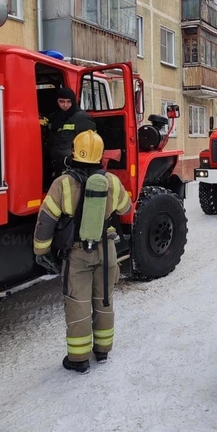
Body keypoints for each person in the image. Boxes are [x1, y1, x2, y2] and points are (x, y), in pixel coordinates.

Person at [33, 130, 132, 374]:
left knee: (78, 304)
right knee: (104, 300)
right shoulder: (111, 181)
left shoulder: (63, 183)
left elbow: (46, 220)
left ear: (74, 153)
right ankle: (103, 350)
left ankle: (78, 360)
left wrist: (41, 250)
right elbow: (126, 208)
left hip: (77, 254)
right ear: (100, 155)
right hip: (106, 250)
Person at [44, 87, 96, 178]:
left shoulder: (82, 118)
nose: (65, 105)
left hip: (74, 167)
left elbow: (92, 143)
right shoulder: (53, 118)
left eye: (68, 102)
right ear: (57, 102)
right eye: (62, 101)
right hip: (56, 165)